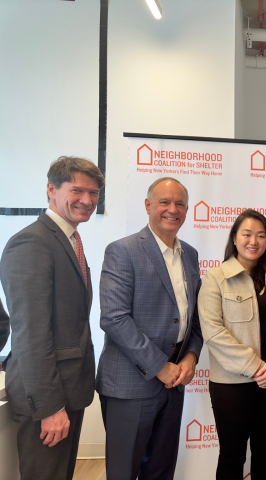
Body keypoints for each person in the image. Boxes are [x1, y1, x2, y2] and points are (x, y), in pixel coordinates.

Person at [0, 156, 104, 480]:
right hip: (48, 402)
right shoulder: (31, 242)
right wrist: (49, 408)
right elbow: (30, 333)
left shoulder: (69, 239)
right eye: (77, 190)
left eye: (94, 193)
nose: (87, 200)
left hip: (70, 391)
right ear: (51, 189)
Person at [96, 177, 203, 480]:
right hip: (130, 385)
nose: (173, 209)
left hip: (174, 384)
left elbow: (195, 318)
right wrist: (159, 367)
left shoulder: (191, 255)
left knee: (160, 471)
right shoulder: (123, 251)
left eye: (179, 203)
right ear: (148, 206)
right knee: (123, 473)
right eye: (164, 202)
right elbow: (114, 318)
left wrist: (191, 357)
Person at [198, 210, 266, 480]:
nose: (254, 241)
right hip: (231, 385)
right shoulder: (216, 278)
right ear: (234, 239)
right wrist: (254, 366)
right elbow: (213, 331)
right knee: (231, 455)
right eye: (247, 234)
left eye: (261, 235)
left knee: (265, 452)